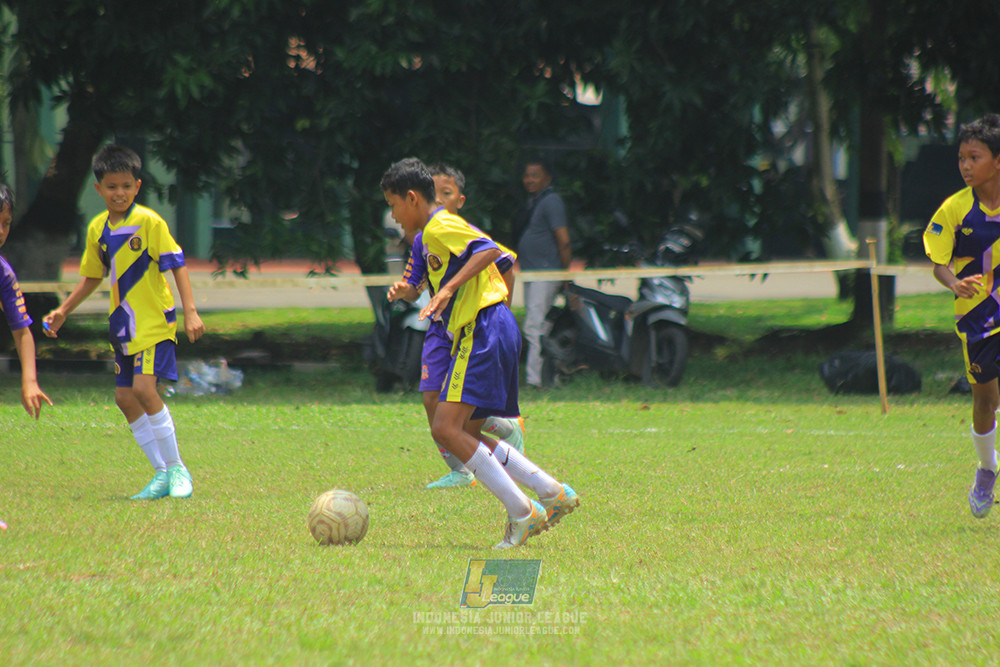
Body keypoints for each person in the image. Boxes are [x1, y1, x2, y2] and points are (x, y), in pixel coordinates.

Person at [381, 157, 578, 548]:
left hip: (482, 328)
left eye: (393, 205)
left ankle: (522, 512)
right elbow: (485, 261)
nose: (394, 215)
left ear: (412, 198)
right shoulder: (429, 235)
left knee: (445, 428)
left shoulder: (439, 225)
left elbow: (489, 251)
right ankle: (550, 491)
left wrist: (450, 290)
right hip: (489, 326)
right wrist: (409, 291)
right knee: (467, 431)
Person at [43, 145, 205, 501]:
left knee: (145, 391)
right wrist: (64, 310)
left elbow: (177, 264)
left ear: (137, 186)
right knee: (124, 398)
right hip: (123, 327)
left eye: (126, 186)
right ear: (98, 189)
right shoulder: (97, 228)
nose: (119, 193)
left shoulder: (149, 222)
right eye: (112, 186)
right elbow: (92, 276)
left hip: (154, 323)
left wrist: (191, 311)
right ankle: (161, 473)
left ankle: (178, 468)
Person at [390, 163, 525, 490]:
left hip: (474, 326)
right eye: (435, 192)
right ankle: (462, 470)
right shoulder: (423, 239)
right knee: (432, 400)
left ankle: (504, 436)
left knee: (456, 417)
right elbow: (415, 285)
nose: (438, 199)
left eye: (445, 193)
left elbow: (502, 260)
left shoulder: (455, 229)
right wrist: (404, 291)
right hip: (441, 327)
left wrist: (496, 311)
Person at [923, 113, 1000, 518]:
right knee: (985, 399)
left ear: (997, 161)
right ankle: (987, 468)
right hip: (977, 316)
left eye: (975, 157)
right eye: (961, 158)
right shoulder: (954, 209)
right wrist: (954, 283)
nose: (966, 166)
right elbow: (939, 263)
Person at [0, 182, 54, 530]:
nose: (1, 231)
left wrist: (30, 381)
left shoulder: (3, 274)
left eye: (5, 223)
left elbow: (22, 331)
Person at [515, 158, 572, 388]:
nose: (529, 179)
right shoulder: (536, 201)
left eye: (535, 175)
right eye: (527, 175)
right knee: (541, 326)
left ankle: (535, 380)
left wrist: (564, 276)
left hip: (546, 274)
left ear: (547, 177)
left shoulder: (551, 201)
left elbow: (564, 241)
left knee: (533, 326)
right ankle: (548, 375)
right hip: (534, 274)